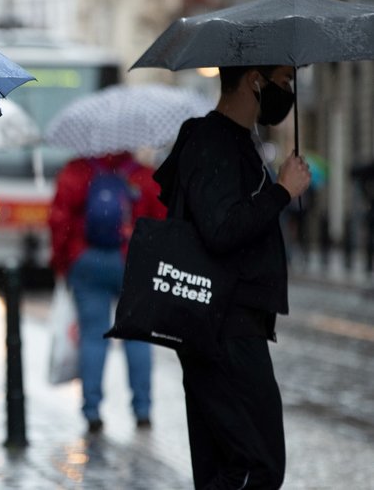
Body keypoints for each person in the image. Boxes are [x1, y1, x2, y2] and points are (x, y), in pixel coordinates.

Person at [154, 65, 310, 489]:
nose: (288, 90)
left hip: (226, 325)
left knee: (227, 464)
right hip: (223, 328)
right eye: (282, 80)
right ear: (253, 79)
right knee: (256, 464)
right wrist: (282, 191)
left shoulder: (236, 141)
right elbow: (221, 229)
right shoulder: (212, 140)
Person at [49, 149, 166, 433]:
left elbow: (58, 219)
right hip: (132, 260)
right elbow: (161, 220)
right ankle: (142, 410)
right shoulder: (143, 175)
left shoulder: (76, 172)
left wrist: (64, 262)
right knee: (137, 337)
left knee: (93, 337)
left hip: (87, 259)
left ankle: (92, 411)